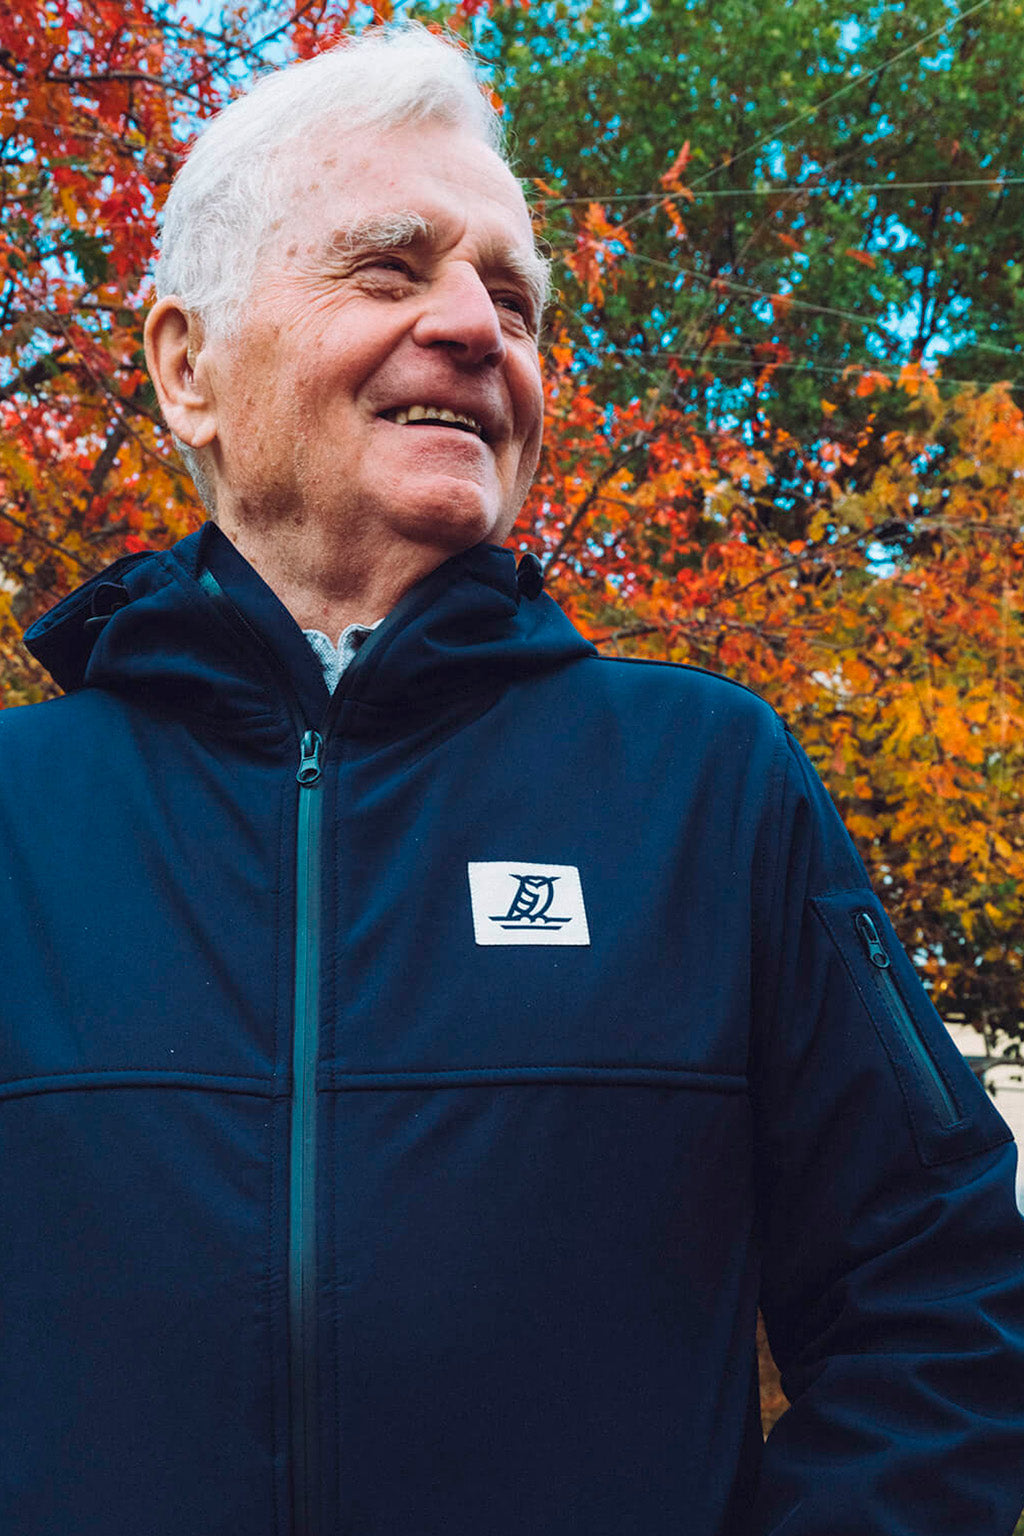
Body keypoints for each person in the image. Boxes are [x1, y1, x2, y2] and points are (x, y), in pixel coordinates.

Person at [2, 23, 1022, 1536]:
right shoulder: (17, 818)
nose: (481, 328)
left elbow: (945, 1301)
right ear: (186, 366)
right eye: (389, 268)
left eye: (516, 299)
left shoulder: (705, 788)